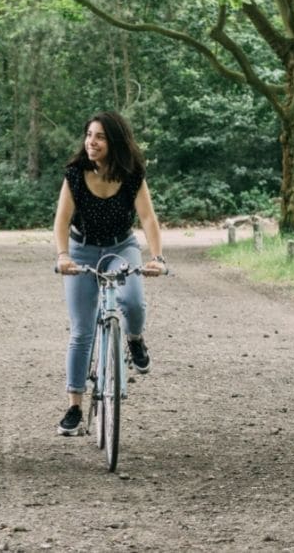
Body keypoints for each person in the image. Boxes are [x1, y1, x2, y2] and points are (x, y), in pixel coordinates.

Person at [53, 111, 166, 435]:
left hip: (121, 247)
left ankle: (134, 339)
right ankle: (74, 405)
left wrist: (156, 257)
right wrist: (62, 256)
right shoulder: (75, 174)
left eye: (100, 136)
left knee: (132, 302)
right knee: (82, 330)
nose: (92, 142)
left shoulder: (132, 174)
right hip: (81, 249)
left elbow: (148, 219)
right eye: (89, 135)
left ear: (114, 141)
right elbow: (61, 221)